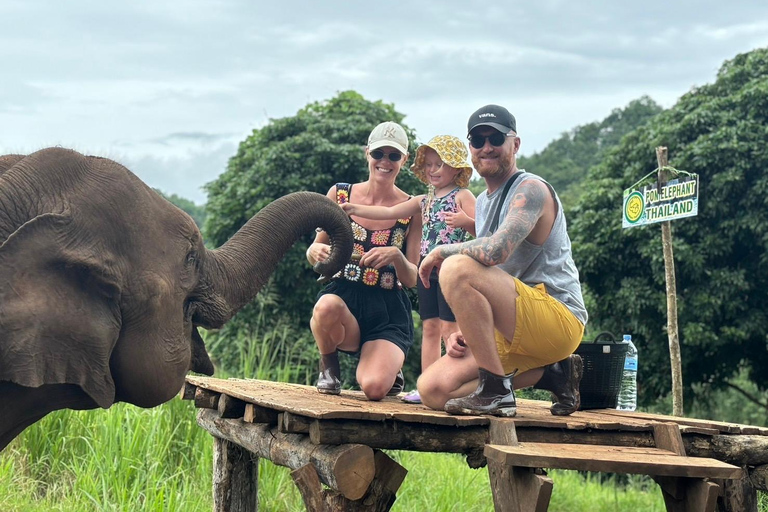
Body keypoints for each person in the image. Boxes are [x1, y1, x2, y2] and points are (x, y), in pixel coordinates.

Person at [416, 105, 588, 417]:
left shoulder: (531, 189)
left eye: (495, 138)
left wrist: (440, 252)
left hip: (557, 317)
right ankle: (555, 374)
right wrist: (467, 330)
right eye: (477, 141)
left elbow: (495, 252)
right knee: (433, 390)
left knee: (455, 265)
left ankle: (496, 391)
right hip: (512, 321)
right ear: (470, 149)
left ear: (515, 144)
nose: (486, 148)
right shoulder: (482, 202)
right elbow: (490, 278)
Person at [340, 135, 476, 404]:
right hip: (427, 271)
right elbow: (391, 212)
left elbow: (488, 232)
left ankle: (456, 383)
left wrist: (466, 221)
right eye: (430, 164)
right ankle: (427, 386)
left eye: (441, 165)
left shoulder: (463, 196)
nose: (433, 170)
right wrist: (353, 207)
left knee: (451, 330)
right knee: (430, 328)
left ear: (457, 169)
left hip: (452, 271)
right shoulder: (423, 200)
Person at [306, 121, 422, 400]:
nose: (385, 161)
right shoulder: (340, 194)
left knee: (373, 389)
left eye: (393, 156)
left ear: (404, 160)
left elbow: (414, 277)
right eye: (378, 154)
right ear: (366, 153)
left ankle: (391, 370)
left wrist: (395, 256)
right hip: (344, 297)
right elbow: (317, 247)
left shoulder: (412, 208)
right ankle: (329, 367)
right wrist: (312, 251)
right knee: (325, 306)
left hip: (387, 307)